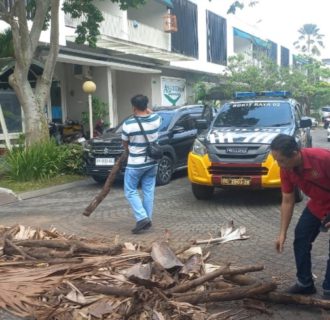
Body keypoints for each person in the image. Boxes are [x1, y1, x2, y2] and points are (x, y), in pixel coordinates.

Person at [270, 134, 330, 296]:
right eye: (276, 160)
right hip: (317, 205)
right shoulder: (285, 169)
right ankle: (305, 283)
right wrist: (282, 234)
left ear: (295, 153)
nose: (279, 164)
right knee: (301, 238)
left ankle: (328, 288)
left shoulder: (323, 159)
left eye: (281, 160)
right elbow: (288, 200)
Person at [121, 94, 161, 234]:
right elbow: (153, 114)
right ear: (146, 105)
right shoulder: (156, 119)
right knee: (148, 191)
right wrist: (146, 109)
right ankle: (147, 220)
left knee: (130, 190)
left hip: (135, 163)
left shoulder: (128, 124)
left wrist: (127, 151)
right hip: (152, 162)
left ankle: (142, 217)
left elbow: (125, 142)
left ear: (133, 107)